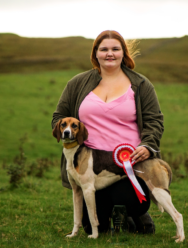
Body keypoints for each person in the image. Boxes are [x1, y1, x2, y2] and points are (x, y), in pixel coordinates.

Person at [51, 30, 164, 234]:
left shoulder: (141, 84)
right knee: (93, 228)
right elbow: (59, 116)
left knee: (129, 199)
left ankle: (134, 214)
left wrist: (148, 145)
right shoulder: (77, 83)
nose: (109, 53)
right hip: (89, 164)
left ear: (123, 53)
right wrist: (67, 134)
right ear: (95, 54)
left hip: (129, 163)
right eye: (103, 49)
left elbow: (154, 120)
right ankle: (111, 215)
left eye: (115, 49)